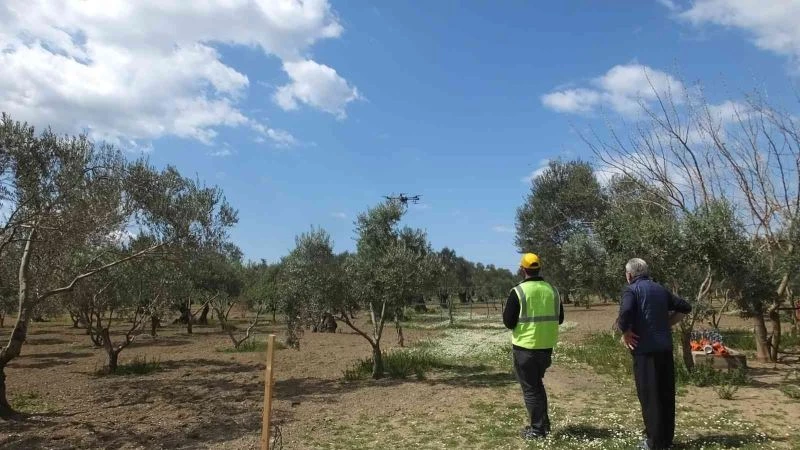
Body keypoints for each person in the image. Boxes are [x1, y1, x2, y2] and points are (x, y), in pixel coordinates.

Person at [617, 258, 692, 450]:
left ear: (629, 275)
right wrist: (667, 323)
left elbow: (625, 312)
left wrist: (625, 332)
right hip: (665, 349)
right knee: (666, 395)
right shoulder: (660, 289)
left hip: (645, 352)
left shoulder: (631, 290)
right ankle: (666, 440)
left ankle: (653, 442)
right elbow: (684, 307)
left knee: (650, 398)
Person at [503, 253, 564, 440]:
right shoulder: (552, 290)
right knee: (537, 385)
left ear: (523, 270)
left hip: (525, 348)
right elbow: (560, 318)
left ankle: (537, 431)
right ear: (539, 268)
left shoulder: (518, 292)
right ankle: (544, 425)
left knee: (530, 389)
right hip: (546, 348)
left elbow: (508, 322)